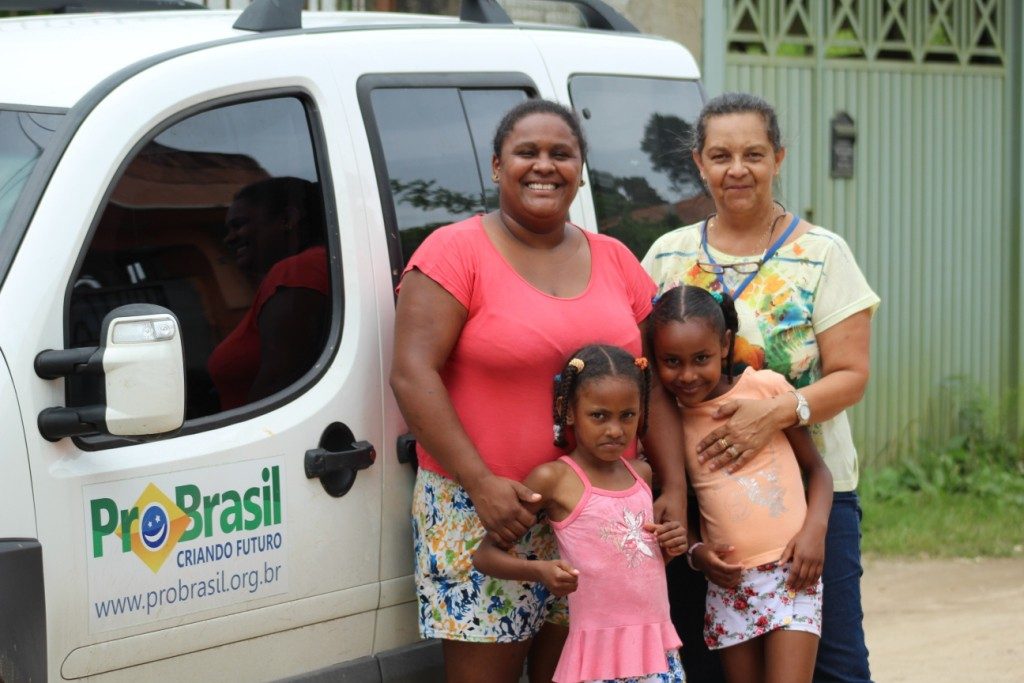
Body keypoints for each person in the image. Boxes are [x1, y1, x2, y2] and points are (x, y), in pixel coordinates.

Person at [390, 99, 687, 683]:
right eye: (527, 152)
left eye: (561, 153)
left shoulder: (616, 259)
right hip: (487, 513)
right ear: (497, 166)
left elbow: (652, 385)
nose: (544, 165)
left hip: (599, 515)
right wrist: (480, 483)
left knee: (584, 673)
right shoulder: (454, 251)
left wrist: (673, 486)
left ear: (581, 169)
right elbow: (412, 372)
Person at [642, 92, 880, 683]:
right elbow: (644, 374)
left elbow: (852, 375)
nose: (737, 169)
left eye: (753, 154)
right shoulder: (668, 256)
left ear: (778, 157)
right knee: (707, 664)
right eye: (720, 155)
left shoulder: (821, 254)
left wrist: (774, 415)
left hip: (809, 496)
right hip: (702, 501)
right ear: (699, 163)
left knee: (837, 666)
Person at [650, 285, 833, 682]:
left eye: (701, 358)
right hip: (729, 585)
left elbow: (819, 471)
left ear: (724, 344)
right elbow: (681, 505)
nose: (687, 375)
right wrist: (697, 553)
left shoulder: (766, 389)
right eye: (671, 361)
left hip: (792, 573)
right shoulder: (669, 424)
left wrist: (815, 532)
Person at [473, 344, 686, 683]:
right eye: (599, 416)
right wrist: (540, 571)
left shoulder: (641, 474)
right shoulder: (555, 479)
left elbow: (640, 563)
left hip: (654, 648)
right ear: (570, 412)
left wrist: (669, 547)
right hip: (596, 653)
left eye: (627, 415)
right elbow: (485, 556)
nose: (615, 430)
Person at [207, 176, 329, 410]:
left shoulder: (298, 272)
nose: (229, 238)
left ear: (287, 219)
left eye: (239, 225)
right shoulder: (312, 267)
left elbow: (277, 384)